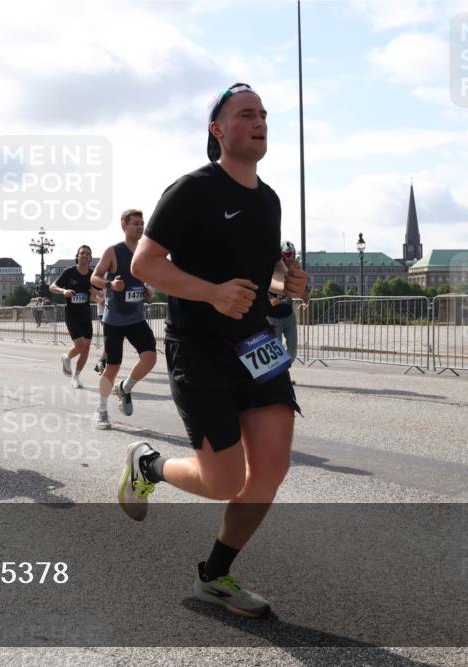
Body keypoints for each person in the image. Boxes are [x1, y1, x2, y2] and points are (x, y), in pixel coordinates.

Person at [117, 82, 308, 619]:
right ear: (217, 130)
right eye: (247, 114)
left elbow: (264, 266)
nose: (260, 120)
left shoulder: (267, 198)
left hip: (257, 346)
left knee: (269, 469)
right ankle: (148, 466)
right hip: (199, 347)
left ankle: (216, 575)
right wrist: (211, 292)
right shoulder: (191, 191)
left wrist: (286, 281)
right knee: (224, 479)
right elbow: (145, 264)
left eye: (264, 114)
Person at [89, 209, 157, 429]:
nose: (140, 227)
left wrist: (148, 292)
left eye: (142, 223)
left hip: (136, 317)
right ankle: (101, 411)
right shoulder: (113, 251)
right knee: (112, 367)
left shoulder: (144, 252)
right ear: (124, 226)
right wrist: (110, 285)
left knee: (150, 358)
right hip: (115, 321)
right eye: (135, 223)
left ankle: (125, 388)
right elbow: (94, 277)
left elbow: (149, 282)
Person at [51, 245, 97, 388]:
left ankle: (76, 377)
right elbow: (52, 286)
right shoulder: (69, 272)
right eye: (82, 253)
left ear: (90, 257)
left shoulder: (92, 275)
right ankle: (67, 357)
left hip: (86, 314)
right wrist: (63, 291)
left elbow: (95, 296)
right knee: (81, 344)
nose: (85, 255)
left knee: (87, 347)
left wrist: (99, 297)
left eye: (87, 253)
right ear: (77, 256)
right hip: (72, 315)